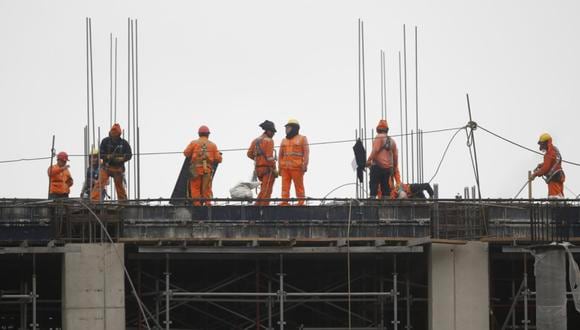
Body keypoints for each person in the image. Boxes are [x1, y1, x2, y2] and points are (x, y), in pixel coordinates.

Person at [91, 123, 132, 201]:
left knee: (119, 185)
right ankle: (94, 200)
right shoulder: (105, 141)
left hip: (118, 168)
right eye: (113, 134)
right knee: (100, 183)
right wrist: (108, 156)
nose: (114, 136)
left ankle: (123, 201)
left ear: (119, 134)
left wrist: (122, 159)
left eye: (116, 135)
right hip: (106, 167)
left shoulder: (124, 143)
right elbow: (101, 154)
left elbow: (129, 155)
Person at [184, 125, 222, 206]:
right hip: (207, 170)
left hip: (195, 170)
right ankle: (207, 203)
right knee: (207, 187)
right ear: (208, 134)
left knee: (195, 187)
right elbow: (219, 159)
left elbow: (186, 153)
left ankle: (197, 204)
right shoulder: (213, 145)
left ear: (199, 134)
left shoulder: (194, 143)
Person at [279, 119, 309, 206]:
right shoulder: (284, 140)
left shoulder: (302, 139)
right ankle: (284, 202)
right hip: (285, 168)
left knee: (299, 186)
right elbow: (280, 155)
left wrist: (305, 165)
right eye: (286, 128)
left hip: (297, 167)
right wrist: (280, 168)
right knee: (285, 187)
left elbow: (306, 153)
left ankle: (301, 202)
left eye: (288, 127)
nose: (286, 130)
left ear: (294, 128)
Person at [247, 120, 278, 206]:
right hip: (268, 169)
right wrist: (275, 169)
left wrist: (258, 160)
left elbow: (249, 154)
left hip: (258, 170)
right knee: (267, 191)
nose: (273, 134)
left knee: (264, 189)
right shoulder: (269, 141)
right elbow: (270, 158)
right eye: (272, 132)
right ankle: (263, 208)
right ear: (268, 130)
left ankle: (257, 205)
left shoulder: (256, 140)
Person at [366, 119, 398, 199]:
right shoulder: (392, 141)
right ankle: (386, 200)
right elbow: (395, 157)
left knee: (374, 184)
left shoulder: (379, 137)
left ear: (378, 129)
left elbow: (375, 150)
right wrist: (394, 168)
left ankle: (372, 199)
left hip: (377, 167)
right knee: (385, 187)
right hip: (388, 169)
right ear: (387, 130)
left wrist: (369, 160)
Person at [530, 133, 565, 198]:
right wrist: (540, 165)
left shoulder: (548, 154)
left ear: (546, 143)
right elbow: (553, 162)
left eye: (542, 144)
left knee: (554, 198)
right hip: (560, 176)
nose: (541, 146)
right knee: (560, 196)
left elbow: (545, 168)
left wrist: (535, 174)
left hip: (554, 178)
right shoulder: (555, 150)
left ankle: (556, 207)